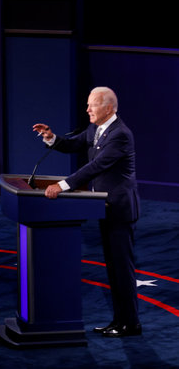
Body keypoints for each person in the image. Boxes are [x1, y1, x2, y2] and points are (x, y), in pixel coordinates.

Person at [32, 86, 141, 337]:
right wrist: (51, 137)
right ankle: (120, 320)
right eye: (88, 104)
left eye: (93, 105)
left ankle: (131, 323)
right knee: (114, 269)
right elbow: (72, 145)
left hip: (121, 210)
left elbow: (95, 166)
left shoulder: (120, 135)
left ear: (109, 108)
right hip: (105, 207)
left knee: (122, 270)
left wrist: (60, 186)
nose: (87, 109)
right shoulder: (95, 128)